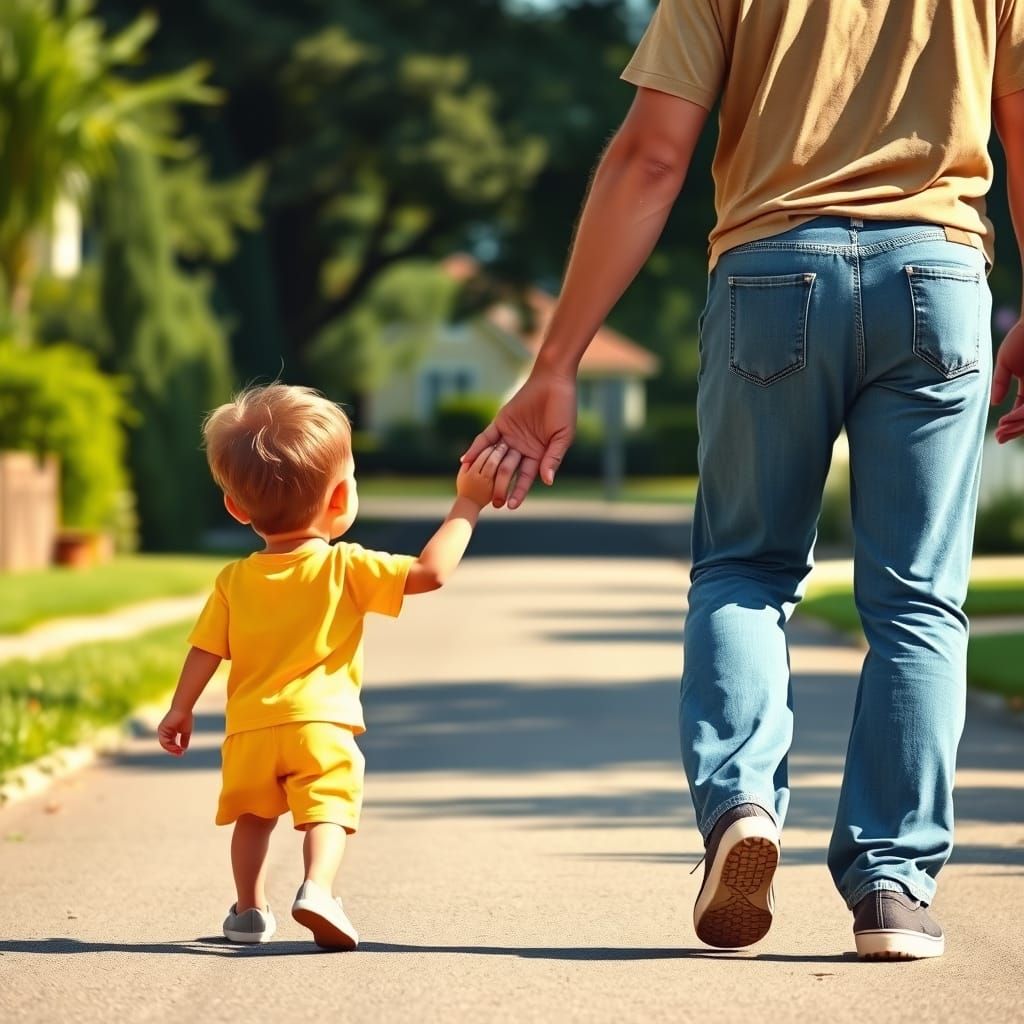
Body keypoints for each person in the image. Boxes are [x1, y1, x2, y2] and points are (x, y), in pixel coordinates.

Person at [462, 0, 1024, 959]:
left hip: (771, 271)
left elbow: (652, 157)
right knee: (919, 599)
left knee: (745, 568)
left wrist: (556, 362)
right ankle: (893, 887)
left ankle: (743, 808)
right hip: (937, 278)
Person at [158, 384, 504, 949]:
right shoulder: (345, 566)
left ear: (236, 508)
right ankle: (317, 888)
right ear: (341, 499)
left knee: (253, 819)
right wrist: (468, 504)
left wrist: (181, 708)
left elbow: (206, 650)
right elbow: (430, 573)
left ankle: (248, 911)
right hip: (319, 726)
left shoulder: (233, 580)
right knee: (327, 812)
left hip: (249, 730)